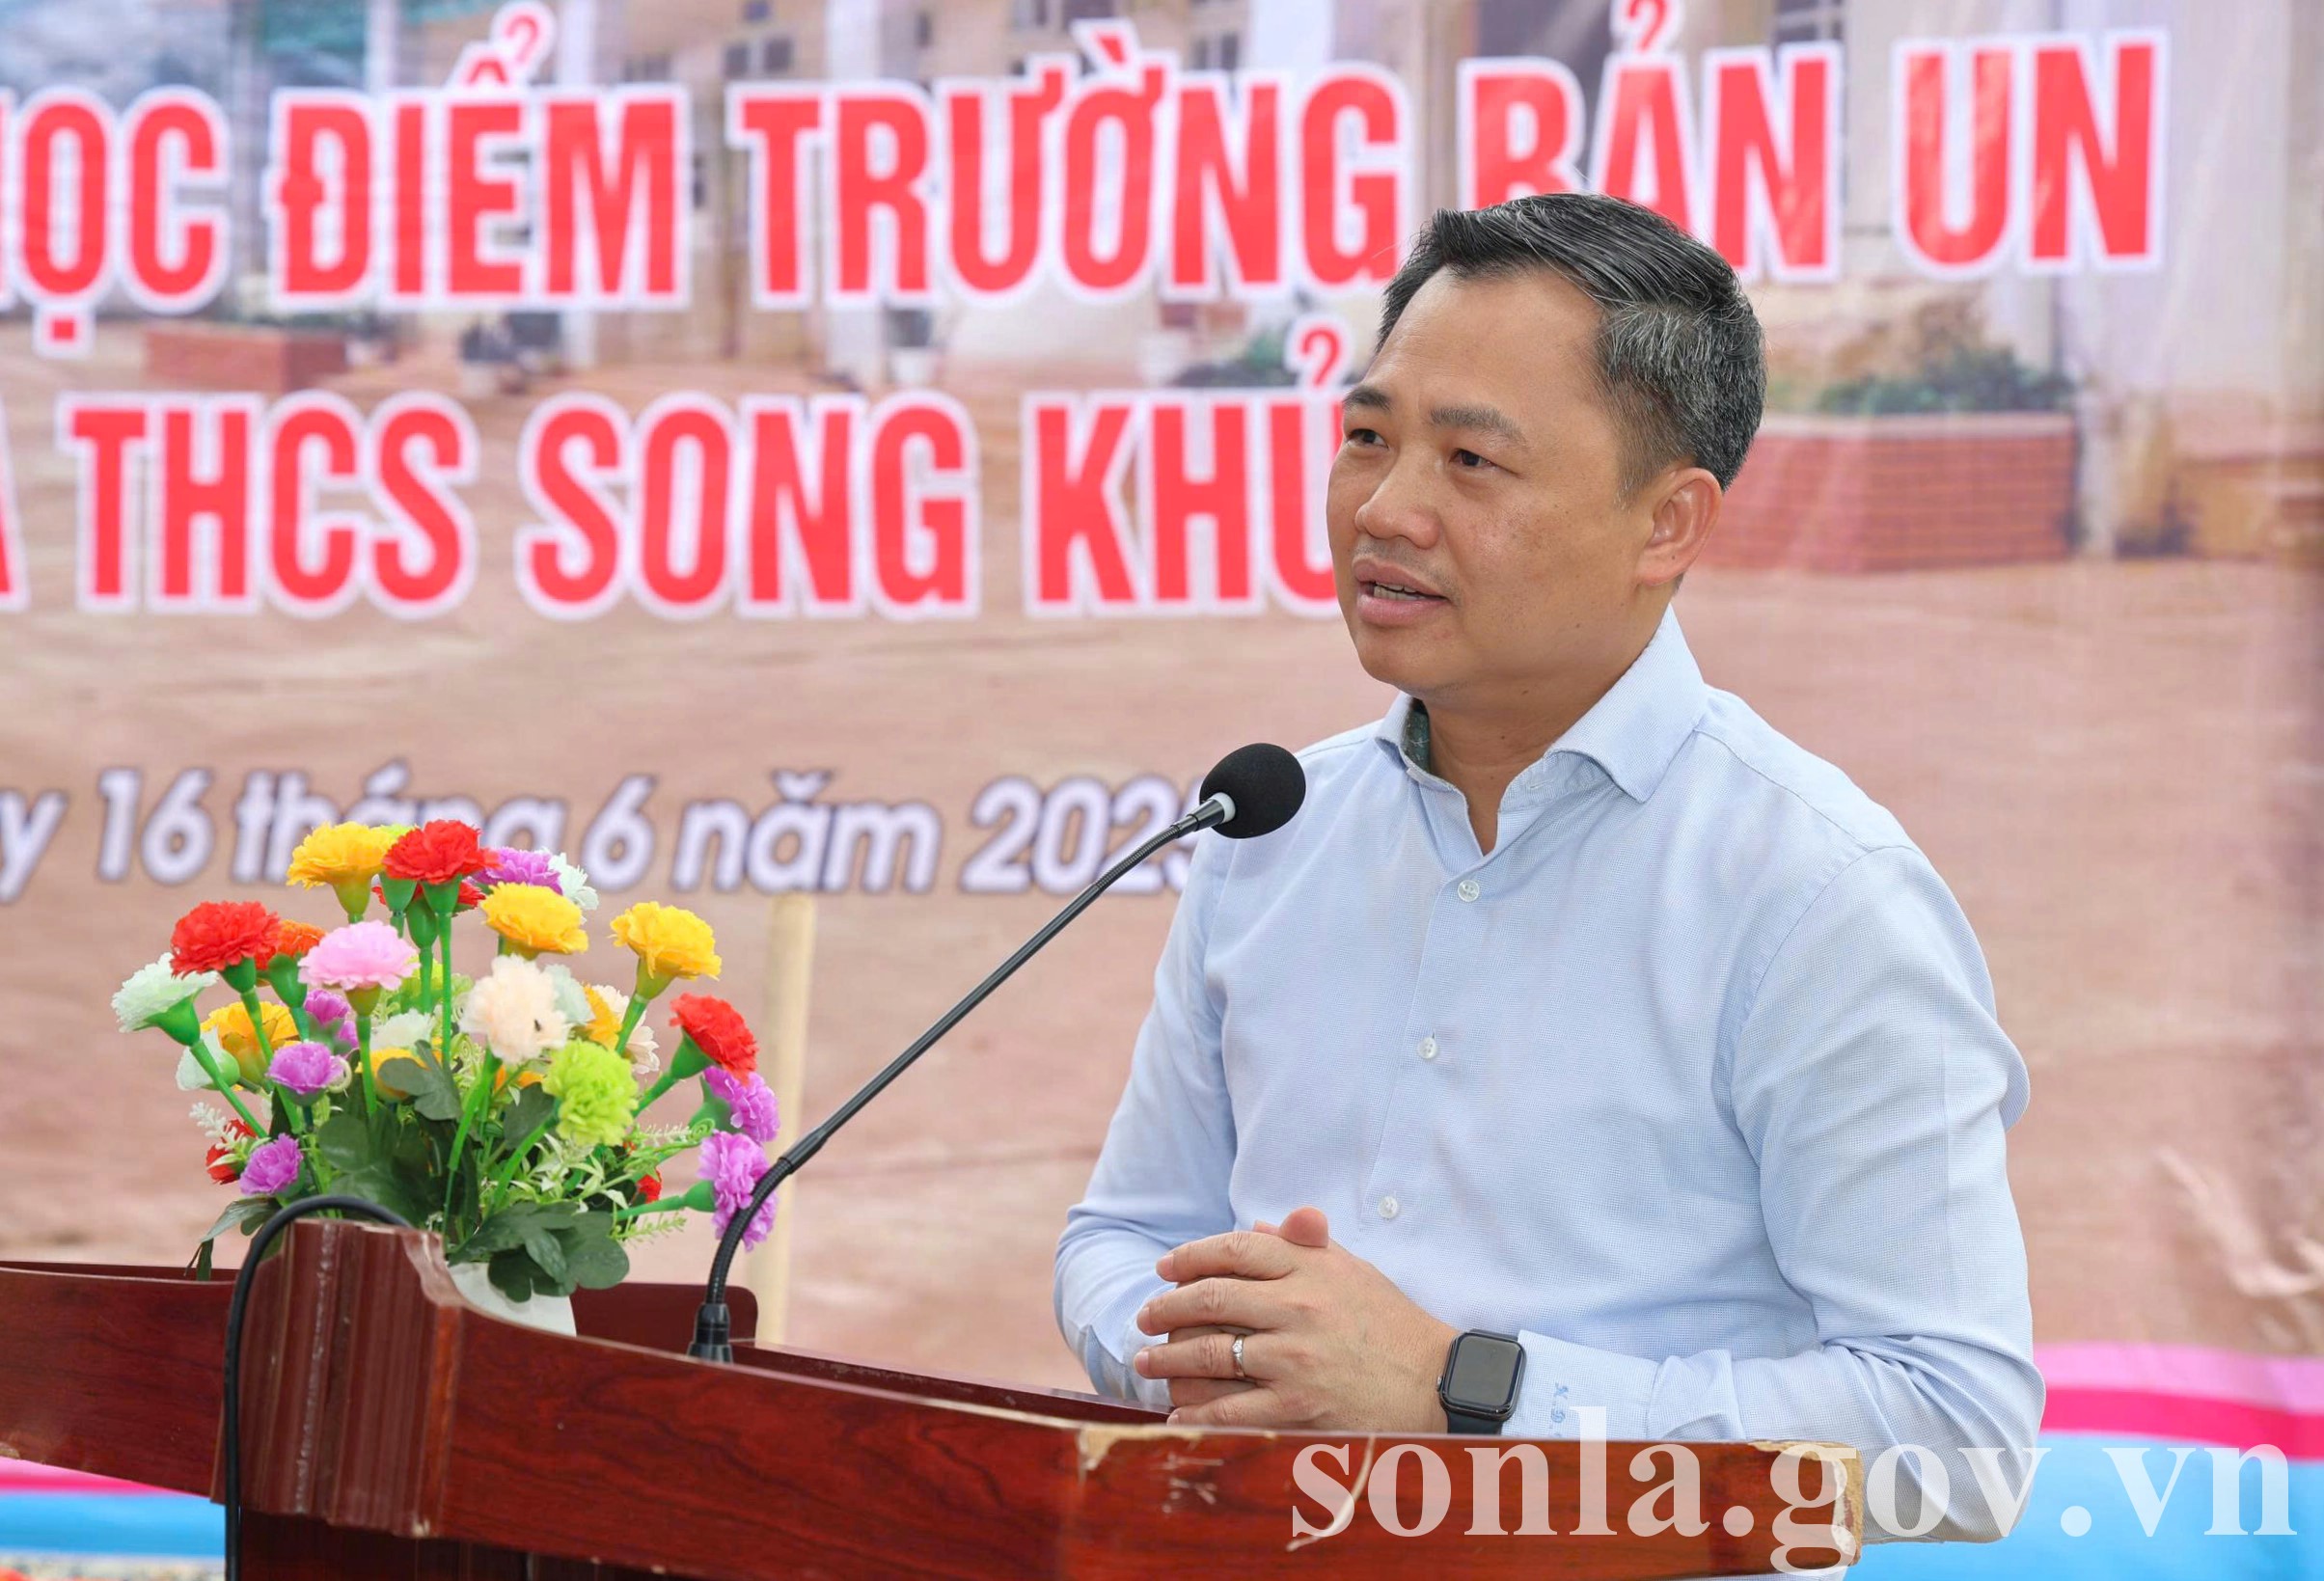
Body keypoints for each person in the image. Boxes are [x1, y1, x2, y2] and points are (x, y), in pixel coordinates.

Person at [1053, 193, 2041, 1543]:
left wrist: (1466, 1391)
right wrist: (1225, 1354)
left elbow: (1958, 1437)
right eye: (1367, 437)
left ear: (1666, 524)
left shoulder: (1815, 894)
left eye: (1471, 460)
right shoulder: (1268, 829)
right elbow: (1120, 1237)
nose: (1384, 509)